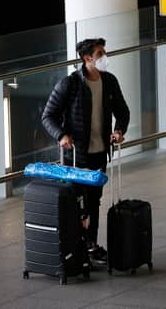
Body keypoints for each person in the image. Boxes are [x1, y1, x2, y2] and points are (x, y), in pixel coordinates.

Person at [42, 38, 130, 265]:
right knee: (78, 203)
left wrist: (119, 130)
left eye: (104, 52)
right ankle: (77, 246)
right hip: (75, 157)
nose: (104, 57)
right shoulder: (70, 84)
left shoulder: (109, 81)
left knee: (94, 201)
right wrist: (61, 135)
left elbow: (123, 111)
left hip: (100, 152)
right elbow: (48, 116)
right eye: (100, 53)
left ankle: (90, 245)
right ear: (87, 58)